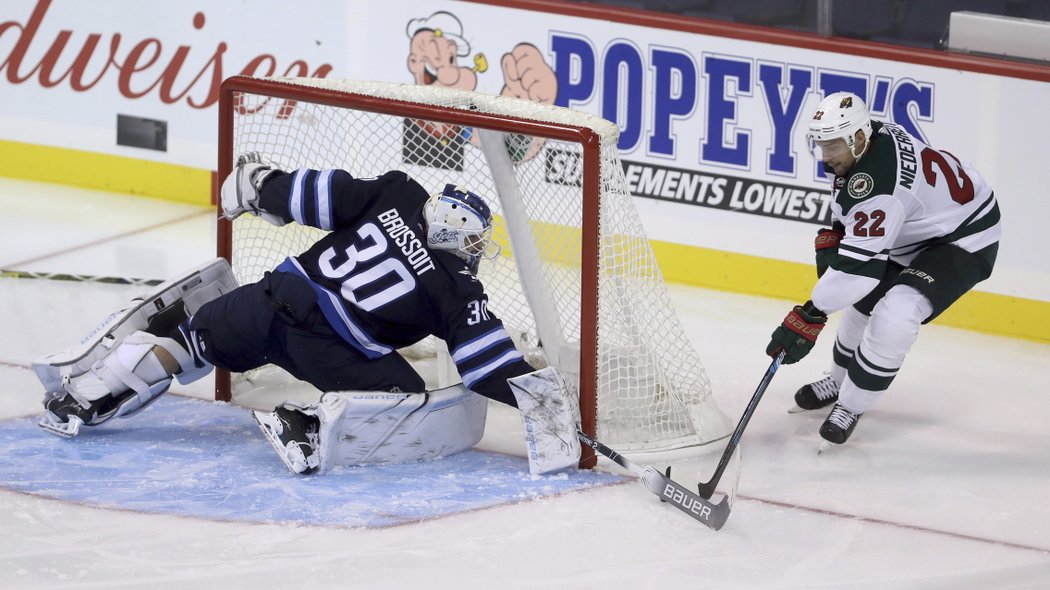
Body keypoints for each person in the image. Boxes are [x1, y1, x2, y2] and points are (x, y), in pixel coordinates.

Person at [33, 154, 581, 476]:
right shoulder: (456, 288)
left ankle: (92, 389)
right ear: (459, 238)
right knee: (406, 399)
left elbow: (312, 194)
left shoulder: (396, 194)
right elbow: (487, 367)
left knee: (190, 341)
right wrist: (546, 402)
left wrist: (260, 187)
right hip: (328, 350)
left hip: (267, 301)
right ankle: (308, 424)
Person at [766, 92, 1001, 446]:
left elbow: (858, 271)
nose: (826, 157)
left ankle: (851, 404)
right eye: (821, 145)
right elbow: (853, 200)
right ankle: (840, 379)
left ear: (858, 138)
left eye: (832, 147)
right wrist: (839, 228)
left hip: (965, 237)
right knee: (865, 302)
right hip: (919, 226)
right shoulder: (869, 138)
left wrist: (810, 313)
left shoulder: (880, 185)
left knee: (896, 312)